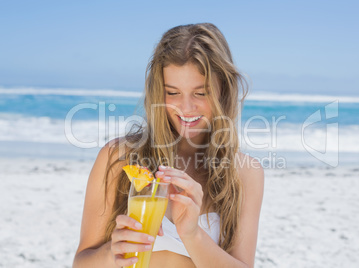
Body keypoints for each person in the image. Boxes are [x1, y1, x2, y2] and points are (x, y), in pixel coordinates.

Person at [73, 23, 264, 268]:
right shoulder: (119, 158)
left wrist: (193, 235)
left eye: (200, 93)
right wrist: (112, 253)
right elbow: (82, 263)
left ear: (223, 91)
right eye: (172, 93)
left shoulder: (244, 172)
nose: (185, 108)